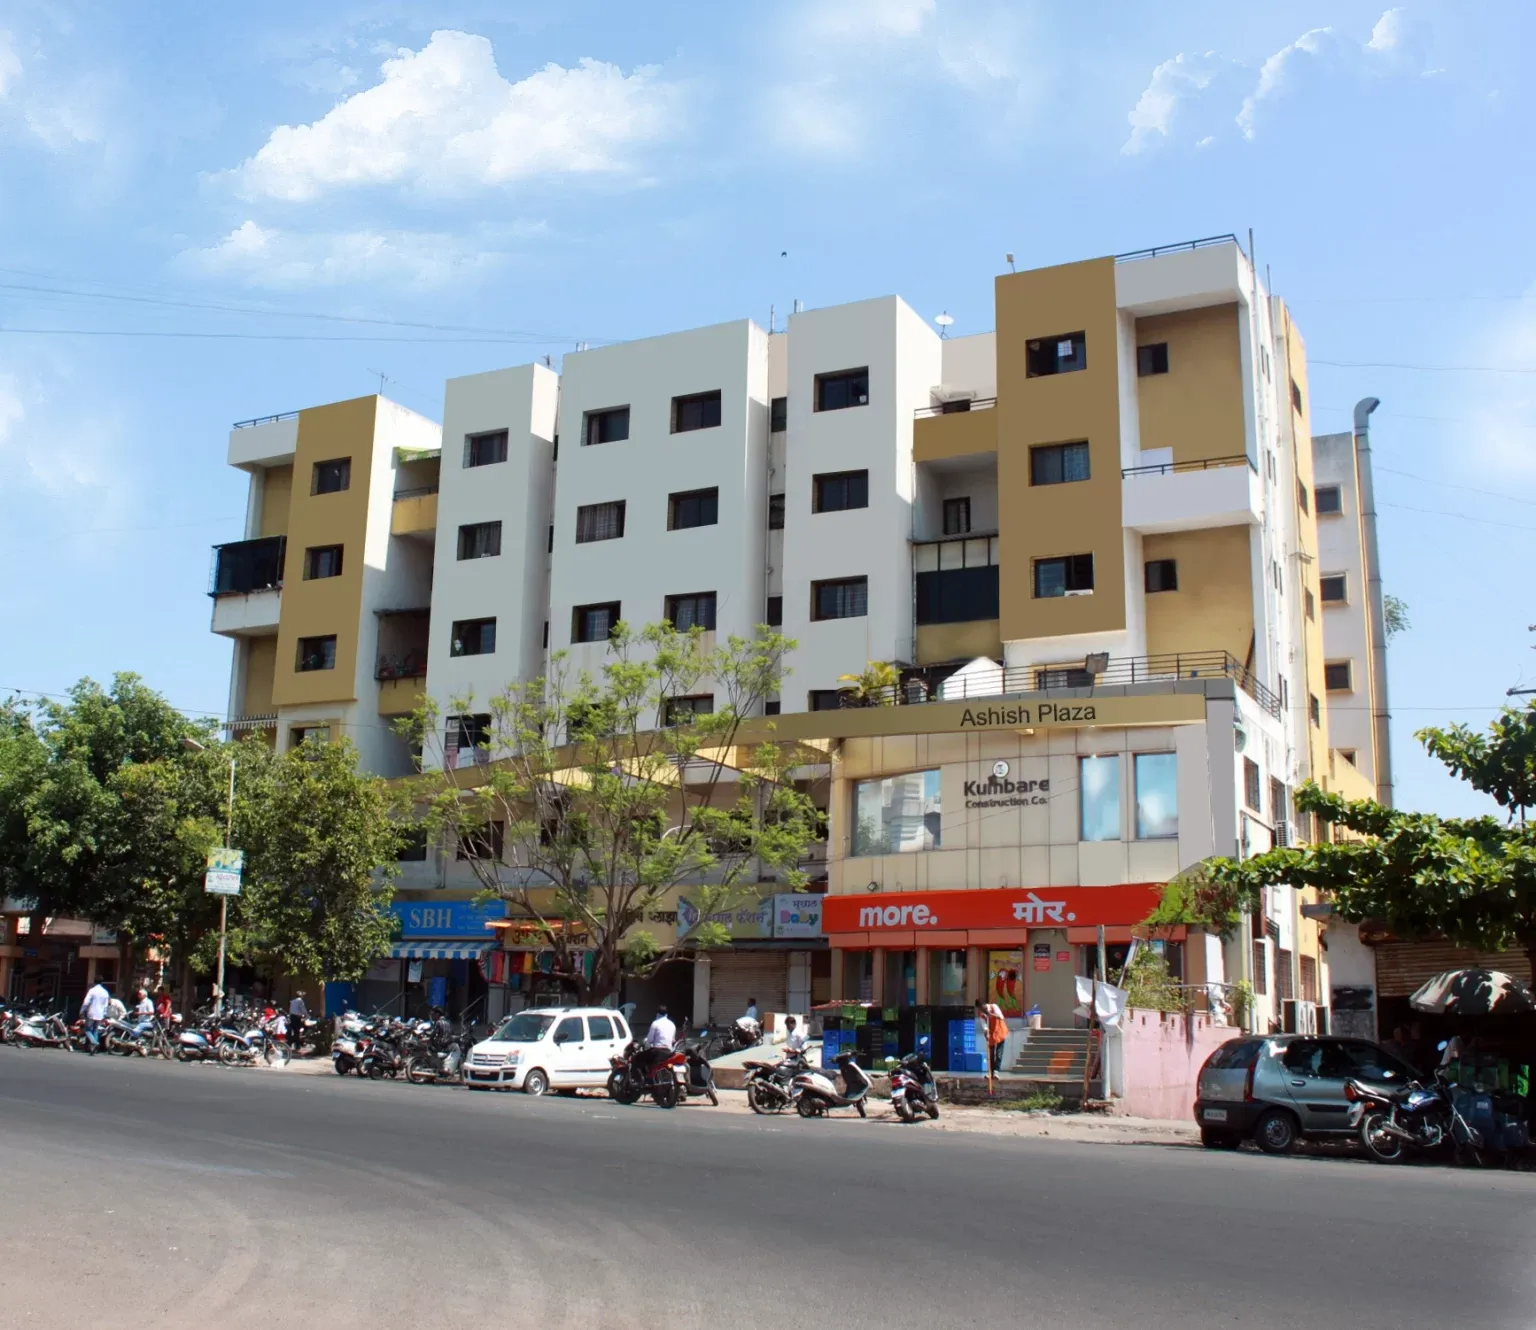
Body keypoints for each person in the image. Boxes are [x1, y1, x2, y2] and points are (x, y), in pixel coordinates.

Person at [975, 996, 1008, 1093]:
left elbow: (1001, 1017)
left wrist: (991, 1014)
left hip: (1000, 1031)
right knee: (990, 1054)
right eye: (980, 1009)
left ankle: (996, 1071)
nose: (981, 1010)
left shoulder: (994, 1007)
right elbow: (984, 1026)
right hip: (991, 1034)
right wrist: (986, 1032)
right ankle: (990, 1072)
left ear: (984, 1005)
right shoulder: (982, 1015)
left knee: (999, 1053)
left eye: (982, 1008)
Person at [80, 979, 111, 1055]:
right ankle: (93, 1049)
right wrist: (104, 1014)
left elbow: (86, 1002)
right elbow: (106, 1005)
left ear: (94, 982)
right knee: (95, 1030)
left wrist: (82, 1011)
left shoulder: (92, 990)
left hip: (91, 1012)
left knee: (87, 1030)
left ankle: (94, 1042)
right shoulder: (105, 992)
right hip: (100, 1014)